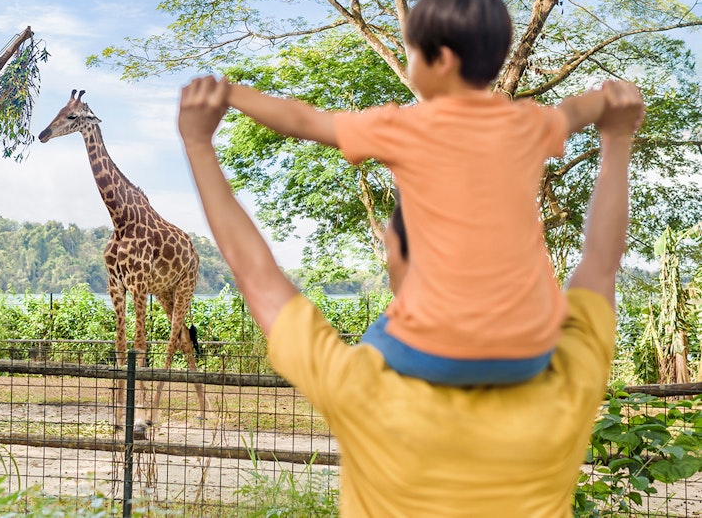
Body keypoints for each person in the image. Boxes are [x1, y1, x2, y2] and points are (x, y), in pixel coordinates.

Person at [178, 74, 642, 516]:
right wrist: (617, 141)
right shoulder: (564, 379)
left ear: (396, 254)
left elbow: (255, 274)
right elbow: (600, 265)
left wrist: (199, 144)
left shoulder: (365, 388)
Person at [223, 0, 613, 386]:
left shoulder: (405, 126)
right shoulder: (529, 123)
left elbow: (303, 121)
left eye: (410, 53)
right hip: (531, 348)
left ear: (441, 60)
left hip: (439, 351)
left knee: (369, 350)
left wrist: (231, 93)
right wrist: (609, 97)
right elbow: (576, 110)